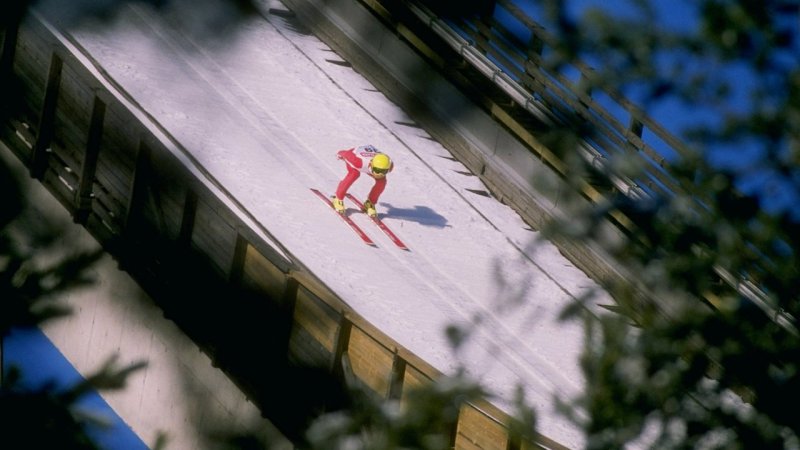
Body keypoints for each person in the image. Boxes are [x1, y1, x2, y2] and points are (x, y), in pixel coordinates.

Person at [333, 144, 393, 217]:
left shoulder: (389, 165)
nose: (379, 174)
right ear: (371, 165)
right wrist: (340, 153)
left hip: (371, 158)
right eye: (377, 170)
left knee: (382, 181)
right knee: (354, 174)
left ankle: (370, 203)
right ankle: (338, 198)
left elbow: (382, 166)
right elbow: (346, 154)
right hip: (355, 156)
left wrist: (378, 171)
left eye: (383, 172)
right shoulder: (358, 162)